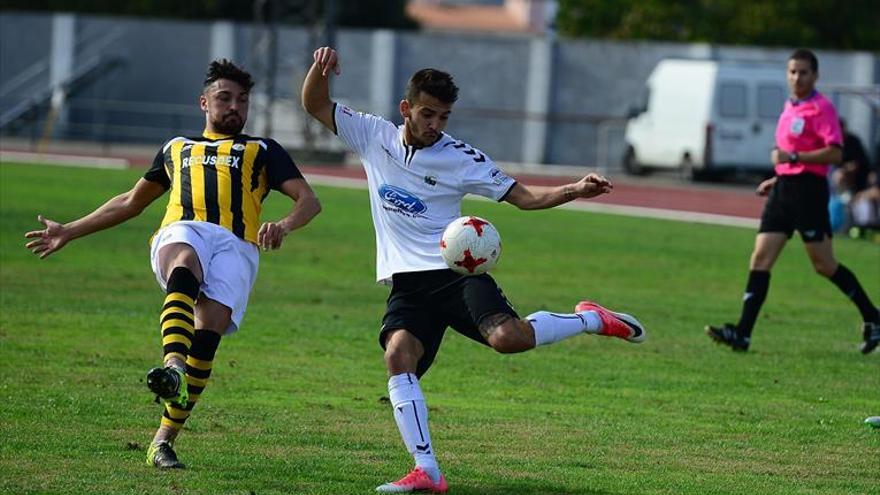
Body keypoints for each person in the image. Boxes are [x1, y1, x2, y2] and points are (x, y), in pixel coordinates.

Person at [301, 46, 646, 493]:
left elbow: (523, 197)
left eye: (443, 117)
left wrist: (575, 189)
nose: (435, 125)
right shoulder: (372, 136)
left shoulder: (460, 157)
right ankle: (427, 472)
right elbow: (314, 104)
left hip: (456, 276)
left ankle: (590, 318)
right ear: (406, 109)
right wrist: (319, 69)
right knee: (397, 356)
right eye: (428, 114)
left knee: (509, 339)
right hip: (407, 283)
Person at [24, 59, 321, 469]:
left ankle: (162, 441)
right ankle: (173, 364)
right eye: (224, 98)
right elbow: (131, 202)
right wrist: (70, 230)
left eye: (242, 100)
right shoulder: (176, 147)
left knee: (209, 333)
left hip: (238, 245)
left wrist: (284, 225)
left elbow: (309, 201)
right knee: (183, 262)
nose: (234, 106)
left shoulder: (263, 150)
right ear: (204, 102)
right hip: (184, 228)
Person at [706, 49, 880, 354]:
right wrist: (779, 177)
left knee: (824, 265)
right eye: (792, 72)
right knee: (760, 258)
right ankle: (742, 334)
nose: (797, 77)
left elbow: (836, 153)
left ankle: (873, 317)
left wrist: (795, 159)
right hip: (784, 191)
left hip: (808, 194)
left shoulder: (821, 108)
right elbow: (788, 157)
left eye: (803, 72)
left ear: (815, 76)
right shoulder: (790, 107)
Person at [828, 119, 871, 231]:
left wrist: (845, 170)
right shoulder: (832, 142)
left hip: (857, 183)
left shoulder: (853, 142)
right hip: (838, 185)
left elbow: (859, 163)